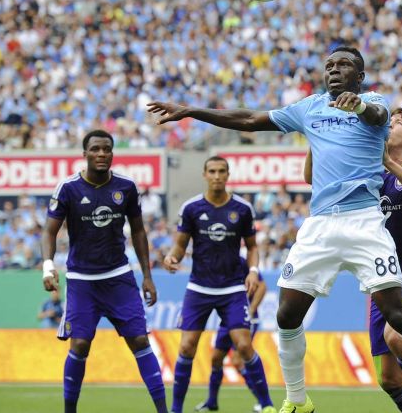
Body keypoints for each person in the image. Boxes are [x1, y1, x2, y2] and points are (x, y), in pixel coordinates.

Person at [148, 46, 402, 413]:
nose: (334, 69)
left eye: (345, 64)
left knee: (398, 318)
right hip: (319, 224)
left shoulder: (375, 103)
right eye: (330, 65)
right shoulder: (310, 108)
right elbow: (251, 119)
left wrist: (360, 106)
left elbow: (380, 114)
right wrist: (193, 112)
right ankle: (298, 400)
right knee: (286, 313)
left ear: (360, 76)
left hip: (363, 220)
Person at [304, 107, 402, 413]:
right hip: (382, 281)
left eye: (396, 123)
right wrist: (318, 141)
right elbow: (311, 179)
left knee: (397, 336)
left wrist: (390, 164)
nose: (388, 125)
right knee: (390, 379)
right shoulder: (371, 173)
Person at [40, 130, 167, 413]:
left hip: (118, 277)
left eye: (106, 149)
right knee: (81, 344)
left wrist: (147, 276)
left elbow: (138, 230)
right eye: (95, 149)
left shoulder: (127, 187)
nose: (101, 154)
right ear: (84, 154)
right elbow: (49, 231)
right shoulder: (68, 188)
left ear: (112, 153)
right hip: (82, 281)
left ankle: (163, 410)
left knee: (140, 340)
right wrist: (48, 267)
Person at [164, 156, 275, 413]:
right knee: (187, 346)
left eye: (221, 171)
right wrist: (172, 257)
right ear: (205, 174)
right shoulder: (191, 208)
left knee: (245, 346)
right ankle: (176, 409)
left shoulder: (243, 209)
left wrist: (254, 271)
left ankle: (267, 405)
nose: (217, 175)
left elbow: (252, 247)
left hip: (232, 288)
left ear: (228, 175)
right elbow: (180, 245)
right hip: (199, 287)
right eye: (212, 171)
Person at [196, 262, 268, 413]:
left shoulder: (242, 263)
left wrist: (252, 308)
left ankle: (263, 402)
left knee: (237, 359)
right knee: (216, 358)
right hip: (227, 319)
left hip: (245, 320)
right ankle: (211, 401)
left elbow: (262, 286)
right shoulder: (219, 265)